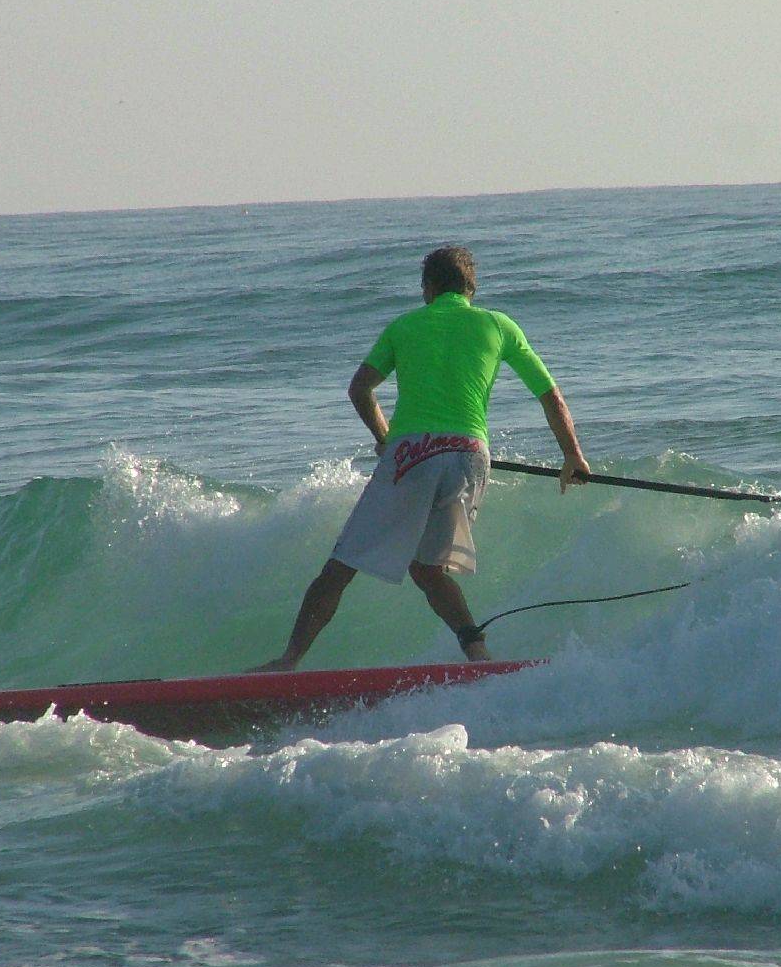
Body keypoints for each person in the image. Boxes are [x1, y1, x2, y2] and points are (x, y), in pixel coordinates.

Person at [252, 246, 590, 672]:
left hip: (413, 454)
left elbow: (360, 389)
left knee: (341, 566)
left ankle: (288, 661)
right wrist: (572, 455)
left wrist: (386, 439)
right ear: (471, 288)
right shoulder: (499, 325)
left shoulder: (405, 325)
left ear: (428, 288)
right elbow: (549, 395)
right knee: (428, 570)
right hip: (470, 454)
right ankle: (479, 657)